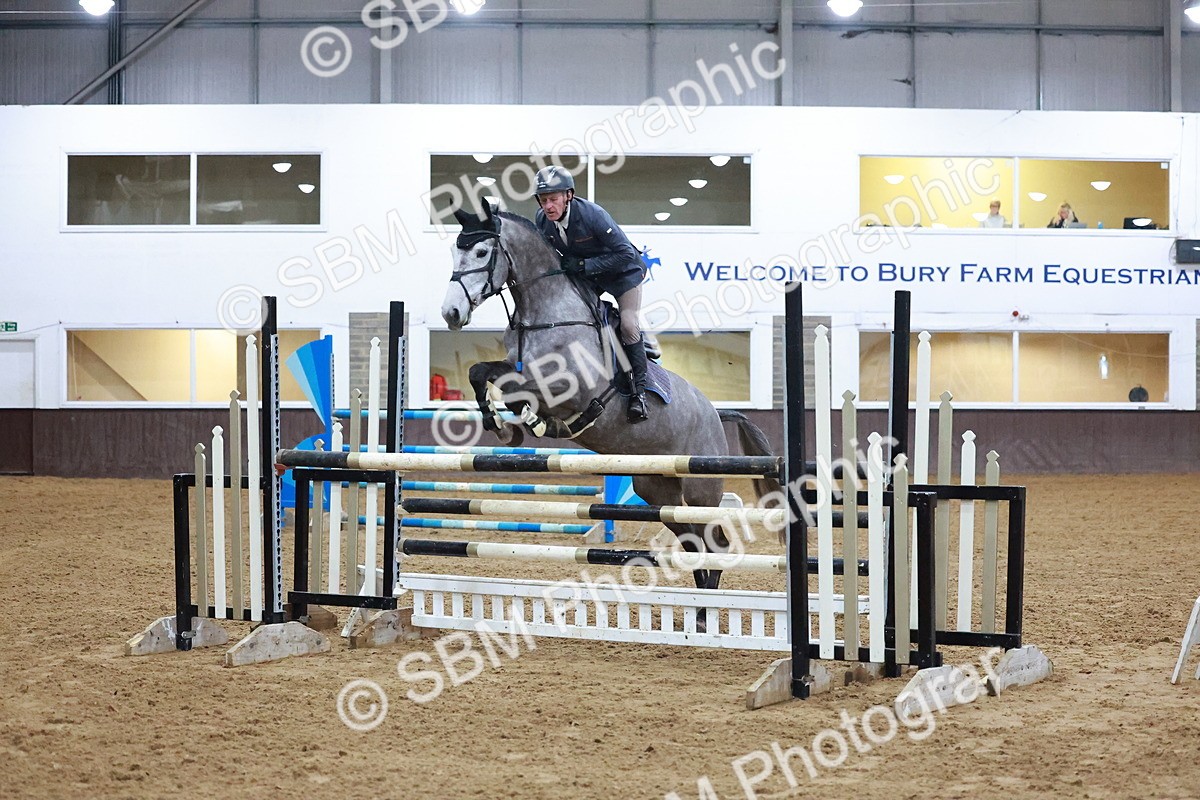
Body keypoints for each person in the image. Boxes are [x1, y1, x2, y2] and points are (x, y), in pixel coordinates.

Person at [532, 165, 650, 423]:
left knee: (628, 324)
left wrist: (585, 266)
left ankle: (638, 393)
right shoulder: (542, 220)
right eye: (543, 200)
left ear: (568, 196)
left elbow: (625, 254)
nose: (548, 206)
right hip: (590, 277)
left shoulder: (593, 215)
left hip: (624, 273)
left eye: (553, 199)